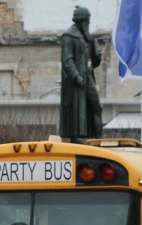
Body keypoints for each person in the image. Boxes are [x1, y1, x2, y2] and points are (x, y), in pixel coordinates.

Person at [59, 6, 103, 142]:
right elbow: (67, 61)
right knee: (76, 110)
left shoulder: (87, 38)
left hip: (88, 77)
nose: (87, 25)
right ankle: (74, 137)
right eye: (85, 21)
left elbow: (94, 63)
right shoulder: (68, 36)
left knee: (97, 107)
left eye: (88, 22)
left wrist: (96, 49)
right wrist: (76, 76)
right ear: (79, 21)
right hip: (75, 82)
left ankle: (98, 139)